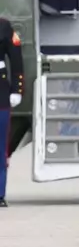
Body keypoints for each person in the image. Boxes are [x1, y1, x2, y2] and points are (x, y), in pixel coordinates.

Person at [0, 19, 24, 208]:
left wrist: (17, 89)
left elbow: (16, 59)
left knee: (0, 148)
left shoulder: (3, 26)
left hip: (0, 94)